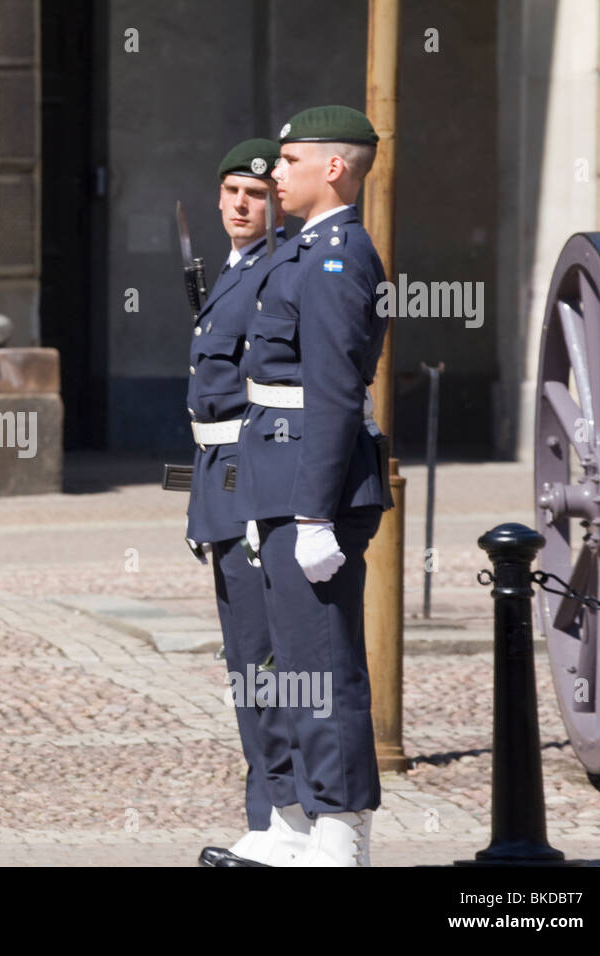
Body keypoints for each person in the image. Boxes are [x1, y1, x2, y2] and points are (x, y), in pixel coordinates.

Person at [232, 105, 392, 866]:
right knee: (292, 664)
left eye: (290, 161)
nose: (275, 174)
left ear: (334, 168)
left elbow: (331, 392)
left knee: (324, 665)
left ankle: (342, 828)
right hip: (280, 480)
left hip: (310, 487)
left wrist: (315, 512)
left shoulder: (337, 257)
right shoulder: (303, 250)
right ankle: (300, 821)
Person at [178, 139, 301, 868]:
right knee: (247, 666)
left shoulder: (274, 274)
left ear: (276, 201)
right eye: (229, 192)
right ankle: (270, 820)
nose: (239, 205)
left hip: (249, 482)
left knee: (266, 664)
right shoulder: (232, 271)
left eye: (253, 195)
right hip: (217, 481)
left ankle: (283, 821)